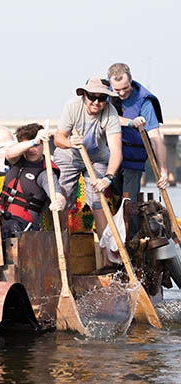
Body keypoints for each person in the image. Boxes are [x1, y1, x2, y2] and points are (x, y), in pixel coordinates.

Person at [53, 77, 122, 264]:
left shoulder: (110, 112)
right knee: (62, 200)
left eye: (102, 98)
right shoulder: (72, 106)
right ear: (84, 95)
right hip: (68, 156)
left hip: (97, 159)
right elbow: (58, 138)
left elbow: (116, 152)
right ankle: (60, 254)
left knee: (98, 202)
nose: (96, 102)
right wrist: (69, 143)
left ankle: (106, 261)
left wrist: (107, 178)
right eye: (92, 97)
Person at [107, 62, 168, 237]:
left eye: (125, 88)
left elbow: (156, 138)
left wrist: (163, 170)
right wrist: (129, 122)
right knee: (108, 199)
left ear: (131, 81)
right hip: (110, 159)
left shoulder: (144, 101)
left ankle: (132, 242)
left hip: (132, 162)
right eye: (116, 90)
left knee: (130, 203)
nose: (121, 93)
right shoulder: (105, 95)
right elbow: (100, 117)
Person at [0, 123, 66, 239]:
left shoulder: (45, 172)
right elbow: (9, 153)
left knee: (7, 228)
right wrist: (34, 141)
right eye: (28, 145)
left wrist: (59, 203)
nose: (32, 150)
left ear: (44, 145)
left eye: (37, 145)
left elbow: (58, 195)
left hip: (23, 226)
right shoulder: (16, 159)